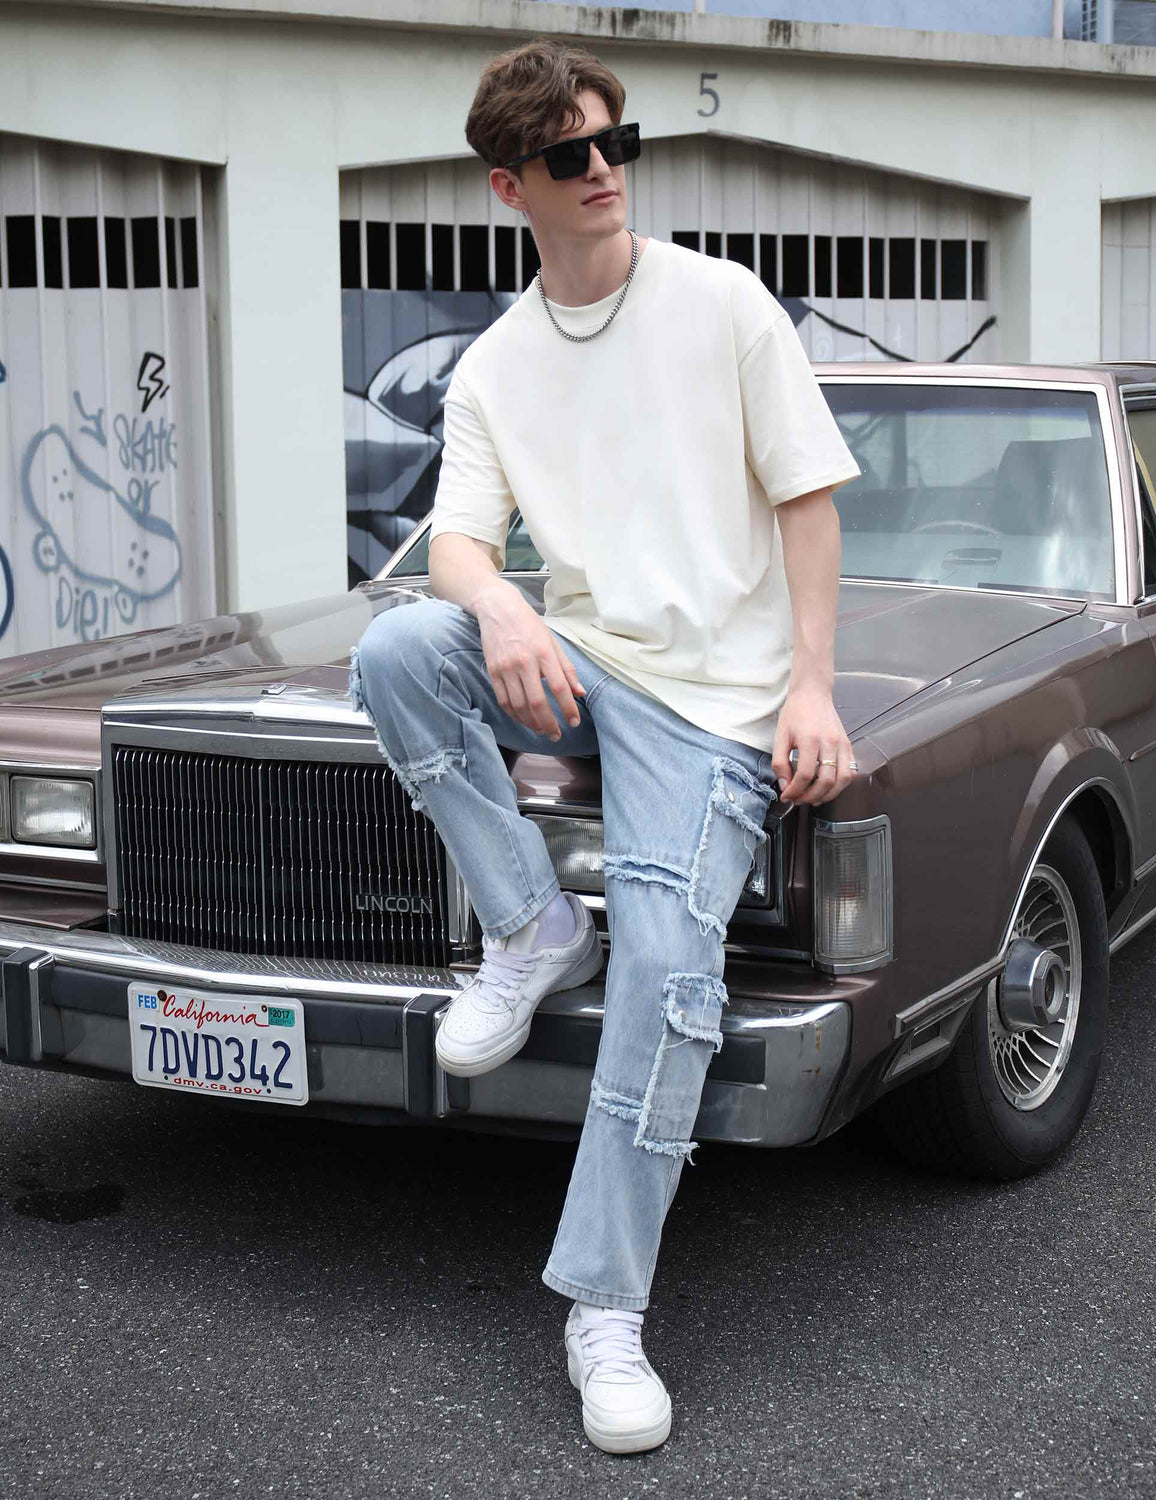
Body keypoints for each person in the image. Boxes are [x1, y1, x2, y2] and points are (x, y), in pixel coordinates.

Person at [349, 36, 861, 1456]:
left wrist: (811, 689)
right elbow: (453, 538)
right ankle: (526, 926)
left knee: (673, 967)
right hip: (584, 660)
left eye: (616, 147)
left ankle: (603, 1305)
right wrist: (500, 599)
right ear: (510, 183)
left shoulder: (722, 305)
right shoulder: (498, 367)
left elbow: (810, 501)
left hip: (716, 703)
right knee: (399, 644)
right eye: (572, 158)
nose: (604, 177)